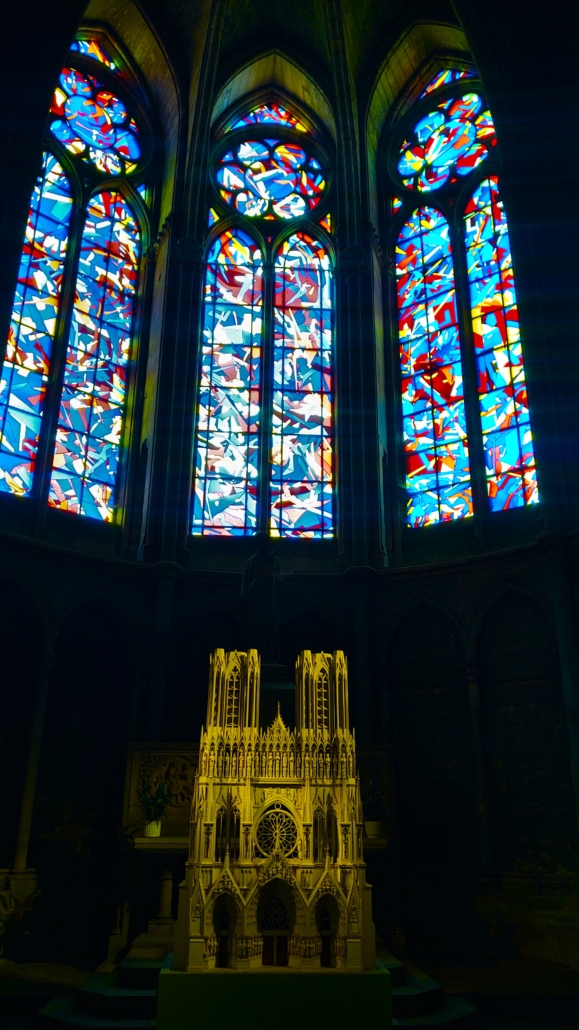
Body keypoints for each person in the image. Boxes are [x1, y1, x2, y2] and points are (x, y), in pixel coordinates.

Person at [241, 532, 283, 662]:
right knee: (254, 627)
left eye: (265, 541)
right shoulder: (251, 560)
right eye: (260, 542)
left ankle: (269, 656)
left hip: (268, 597)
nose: (263, 545)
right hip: (254, 597)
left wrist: (270, 575)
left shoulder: (274, 561)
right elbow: (245, 580)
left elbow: (281, 580)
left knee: (269, 628)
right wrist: (244, 597)